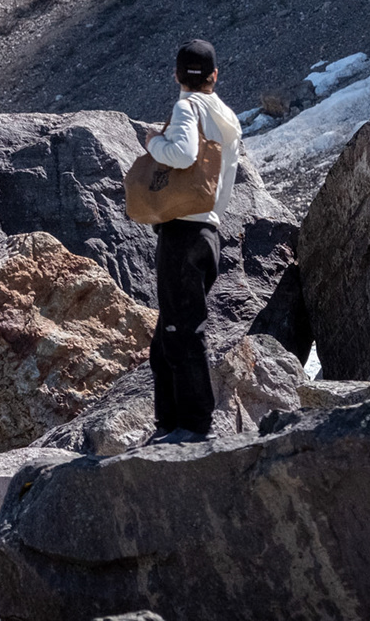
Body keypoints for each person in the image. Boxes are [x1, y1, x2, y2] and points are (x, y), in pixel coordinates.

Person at [143, 38, 243, 443]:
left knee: (183, 332)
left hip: (183, 230)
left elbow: (182, 154)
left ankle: (194, 426)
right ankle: (166, 423)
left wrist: (154, 143)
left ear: (177, 76)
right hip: (210, 232)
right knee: (167, 334)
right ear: (215, 76)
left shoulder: (187, 106)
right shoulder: (226, 114)